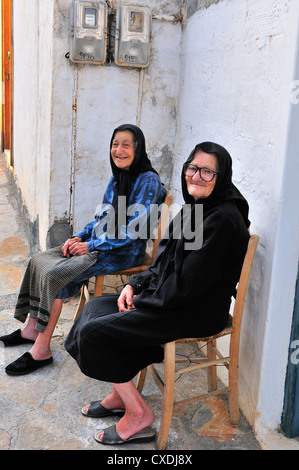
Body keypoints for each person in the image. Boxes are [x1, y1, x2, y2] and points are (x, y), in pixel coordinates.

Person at [64, 141, 251, 446]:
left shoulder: (221, 220)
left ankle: (139, 415)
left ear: (222, 176)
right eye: (192, 168)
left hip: (194, 312)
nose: (196, 176)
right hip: (168, 299)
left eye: (207, 172)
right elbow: (162, 264)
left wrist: (140, 301)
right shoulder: (197, 209)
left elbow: (188, 285)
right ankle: (120, 395)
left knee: (95, 334)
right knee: (95, 308)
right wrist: (132, 286)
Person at [0, 124, 166, 376]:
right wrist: (81, 235)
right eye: (115, 144)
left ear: (138, 149)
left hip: (124, 251)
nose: (118, 150)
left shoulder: (148, 181)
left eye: (126, 145)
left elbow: (132, 231)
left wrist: (90, 245)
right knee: (39, 260)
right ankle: (31, 330)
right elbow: (102, 217)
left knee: (55, 276)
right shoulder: (119, 175)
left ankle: (42, 350)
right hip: (102, 243)